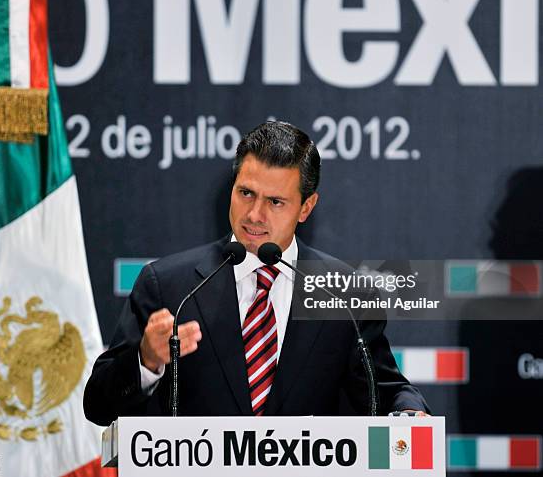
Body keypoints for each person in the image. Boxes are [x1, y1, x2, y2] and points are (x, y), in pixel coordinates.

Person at [84, 121, 429, 426]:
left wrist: (410, 412)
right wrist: (146, 362)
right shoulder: (169, 287)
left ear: (306, 207)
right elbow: (98, 406)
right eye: (246, 193)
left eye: (275, 202)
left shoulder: (344, 294)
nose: (255, 214)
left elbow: (385, 390)